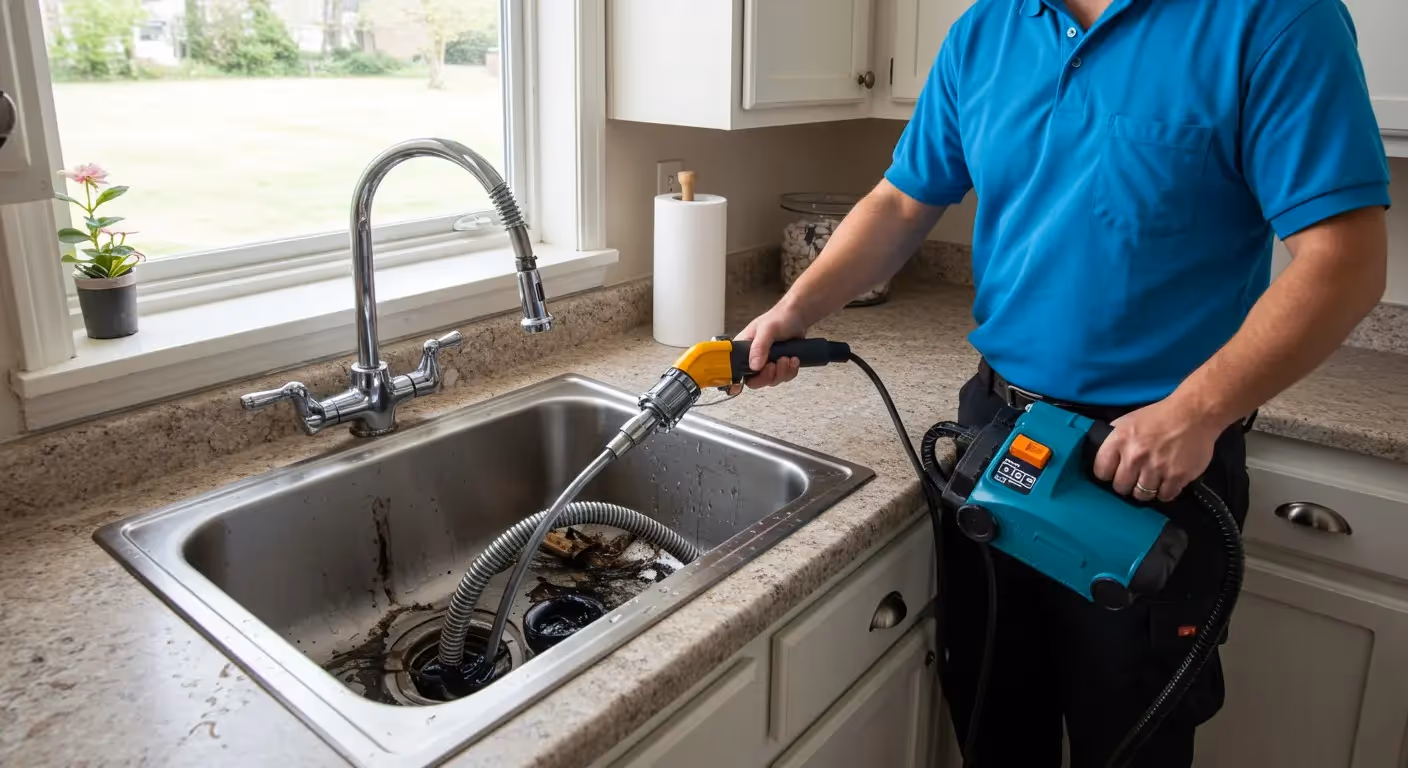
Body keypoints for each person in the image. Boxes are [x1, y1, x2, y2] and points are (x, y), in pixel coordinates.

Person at [734, 0, 1390, 765]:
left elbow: (1345, 262)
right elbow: (902, 201)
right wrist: (794, 308)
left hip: (1146, 461)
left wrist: (1197, 411)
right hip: (998, 436)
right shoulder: (987, 29)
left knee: (1132, 741)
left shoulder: (1275, 19)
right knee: (993, 722)